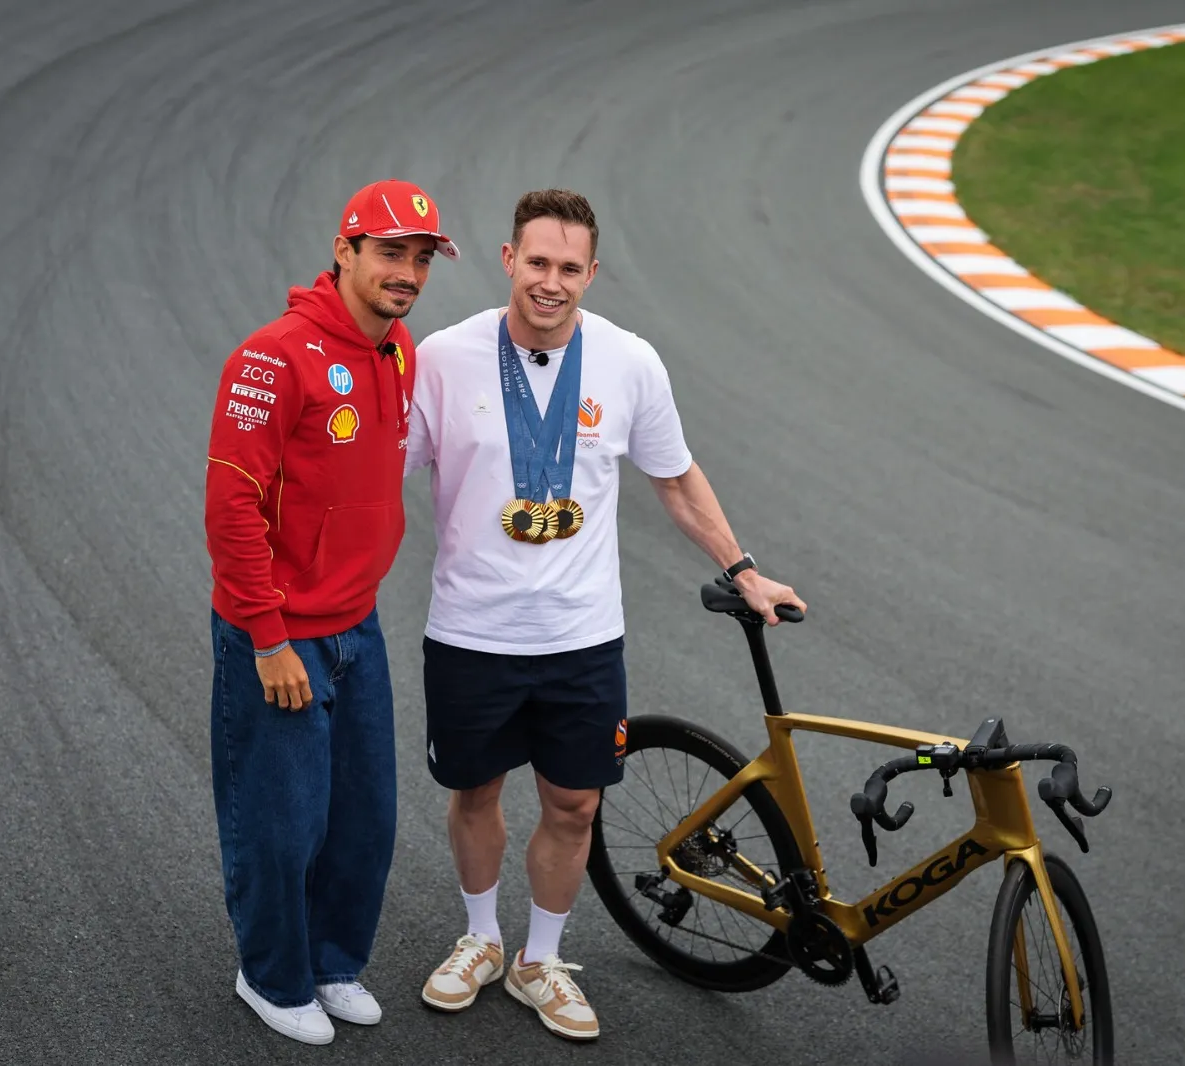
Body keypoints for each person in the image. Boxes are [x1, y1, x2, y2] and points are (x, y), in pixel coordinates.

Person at [404, 188, 802, 1042]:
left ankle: (539, 960)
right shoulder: (440, 358)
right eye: (537, 263)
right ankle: (479, 938)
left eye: (569, 268)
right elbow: (373, 477)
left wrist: (744, 569)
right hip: (470, 631)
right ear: (510, 260)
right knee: (475, 792)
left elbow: (676, 479)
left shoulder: (629, 362)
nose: (551, 283)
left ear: (593, 274)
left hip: (581, 639)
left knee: (575, 804)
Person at [203, 178, 457, 1045]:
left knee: (363, 820)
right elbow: (231, 506)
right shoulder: (272, 357)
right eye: (391, 253)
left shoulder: (399, 351)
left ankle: (331, 963)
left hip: (358, 624)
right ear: (344, 251)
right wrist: (267, 638)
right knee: (282, 826)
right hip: (279, 633)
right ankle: (270, 977)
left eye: (422, 258)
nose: (408, 272)